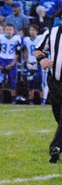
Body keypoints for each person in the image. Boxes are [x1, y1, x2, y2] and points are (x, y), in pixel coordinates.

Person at [35, 23, 62, 163]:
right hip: (55, 81)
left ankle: (55, 148)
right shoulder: (52, 33)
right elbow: (38, 50)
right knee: (58, 116)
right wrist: (42, 59)